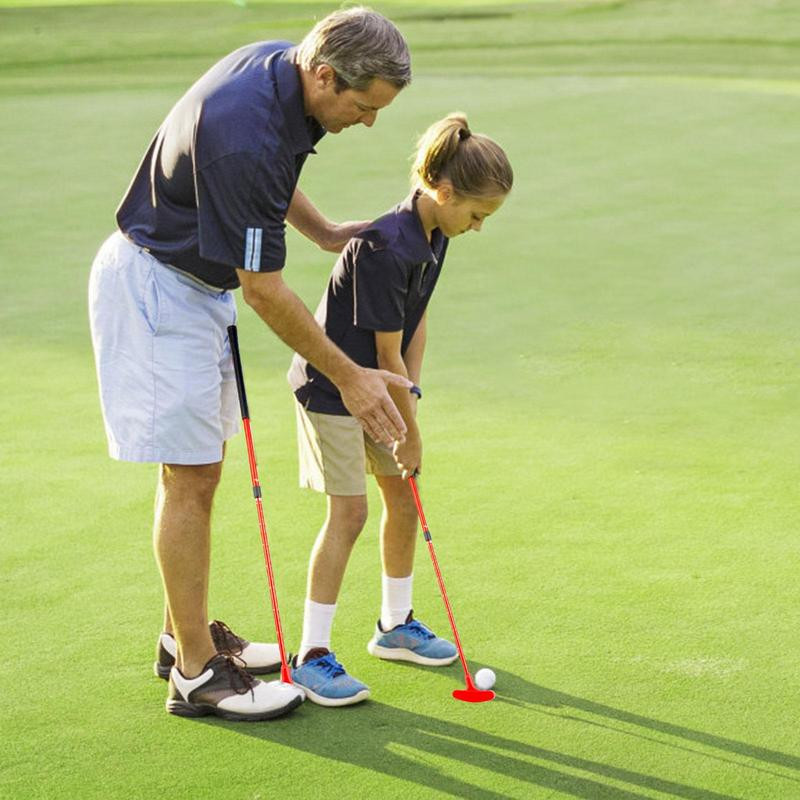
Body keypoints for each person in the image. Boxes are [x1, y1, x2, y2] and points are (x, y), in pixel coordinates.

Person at [88, 7, 414, 722]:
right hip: (156, 290)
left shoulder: (281, 70)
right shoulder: (248, 131)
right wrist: (353, 379)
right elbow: (265, 290)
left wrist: (323, 230)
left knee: (197, 471)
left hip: (190, 288)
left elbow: (267, 181)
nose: (366, 123)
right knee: (192, 475)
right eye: (362, 107)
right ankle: (198, 674)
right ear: (325, 75)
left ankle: (186, 634)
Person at [286, 113, 513, 705]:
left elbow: (415, 328)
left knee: (403, 501)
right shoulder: (388, 246)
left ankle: (394, 627)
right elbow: (384, 352)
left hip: (379, 383)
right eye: (477, 215)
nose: (479, 228)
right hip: (331, 388)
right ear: (445, 191)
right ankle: (310, 653)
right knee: (351, 513)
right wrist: (408, 433)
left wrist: (413, 399)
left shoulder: (437, 233)